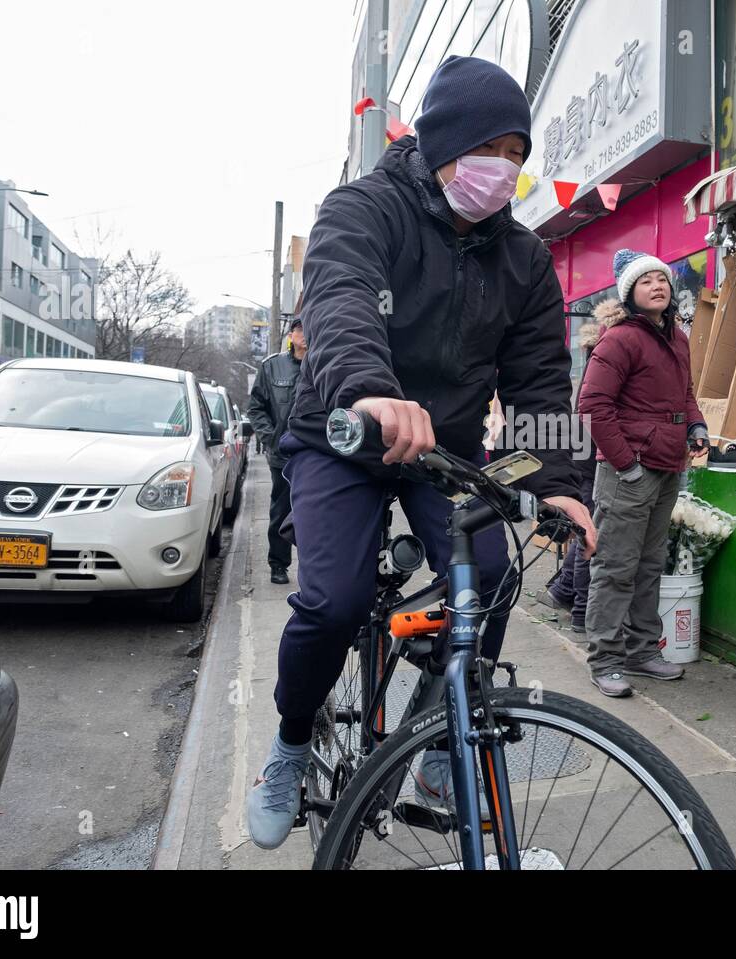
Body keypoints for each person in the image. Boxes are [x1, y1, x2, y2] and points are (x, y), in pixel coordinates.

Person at [245, 55, 597, 850]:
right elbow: (338, 296)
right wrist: (370, 388)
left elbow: (542, 379)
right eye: (491, 149)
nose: (504, 171)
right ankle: (291, 742)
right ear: (443, 142)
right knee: (331, 601)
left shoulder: (526, 261)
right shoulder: (364, 208)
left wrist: (563, 483)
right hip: (346, 431)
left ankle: (444, 733)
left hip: (448, 448)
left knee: (494, 574)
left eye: (518, 155)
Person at [578, 250, 707, 698]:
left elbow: (686, 393)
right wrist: (625, 465)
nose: (658, 285)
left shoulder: (678, 339)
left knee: (650, 564)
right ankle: (606, 659)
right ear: (630, 293)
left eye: (663, 279)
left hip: (668, 465)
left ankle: (641, 650)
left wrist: (696, 424)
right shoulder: (620, 340)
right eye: (646, 279)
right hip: (628, 471)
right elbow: (592, 407)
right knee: (616, 567)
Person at [538, 320, 604, 634]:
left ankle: (563, 591)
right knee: (586, 532)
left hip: (584, 453)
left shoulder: (594, 356)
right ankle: (580, 610)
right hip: (591, 456)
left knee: (585, 530)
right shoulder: (605, 357)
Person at [246, 319, 307, 586]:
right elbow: (256, 407)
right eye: (300, 330)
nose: (305, 335)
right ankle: (278, 564)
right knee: (280, 512)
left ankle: (314, 569)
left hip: (315, 454)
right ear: (291, 335)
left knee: (316, 513)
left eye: (309, 329)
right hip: (282, 455)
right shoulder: (271, 366)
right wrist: (270, 437)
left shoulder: (326, 362)